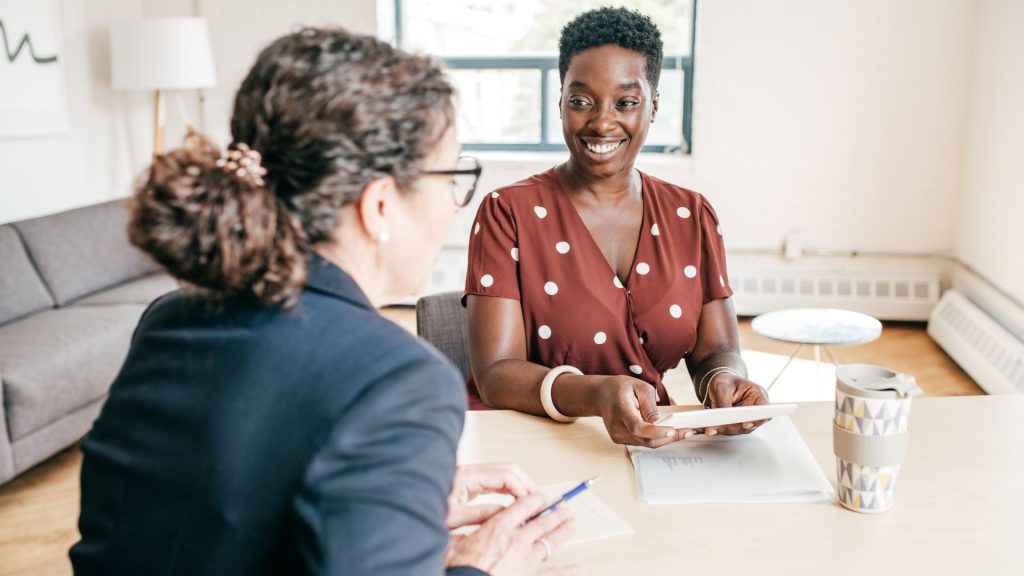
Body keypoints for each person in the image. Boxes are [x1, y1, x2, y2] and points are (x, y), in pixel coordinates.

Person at [70, 27, 578, 576]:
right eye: (453, 176)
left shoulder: (170, 317)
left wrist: (386, 494)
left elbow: (204, 508)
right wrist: (474, 568)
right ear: (380, 204)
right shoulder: (399, 381)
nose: (457, 206)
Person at [464, 7, 769, 447]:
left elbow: (715, 352)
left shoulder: (692, 215)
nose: (602, 122)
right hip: (530, 442)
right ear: (561, 101)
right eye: (581, 101)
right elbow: (494, 374)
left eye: (625, 102)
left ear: (654, 104)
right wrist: (596, 394)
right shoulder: (508, 211)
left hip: (647, 439)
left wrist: (725, 381)